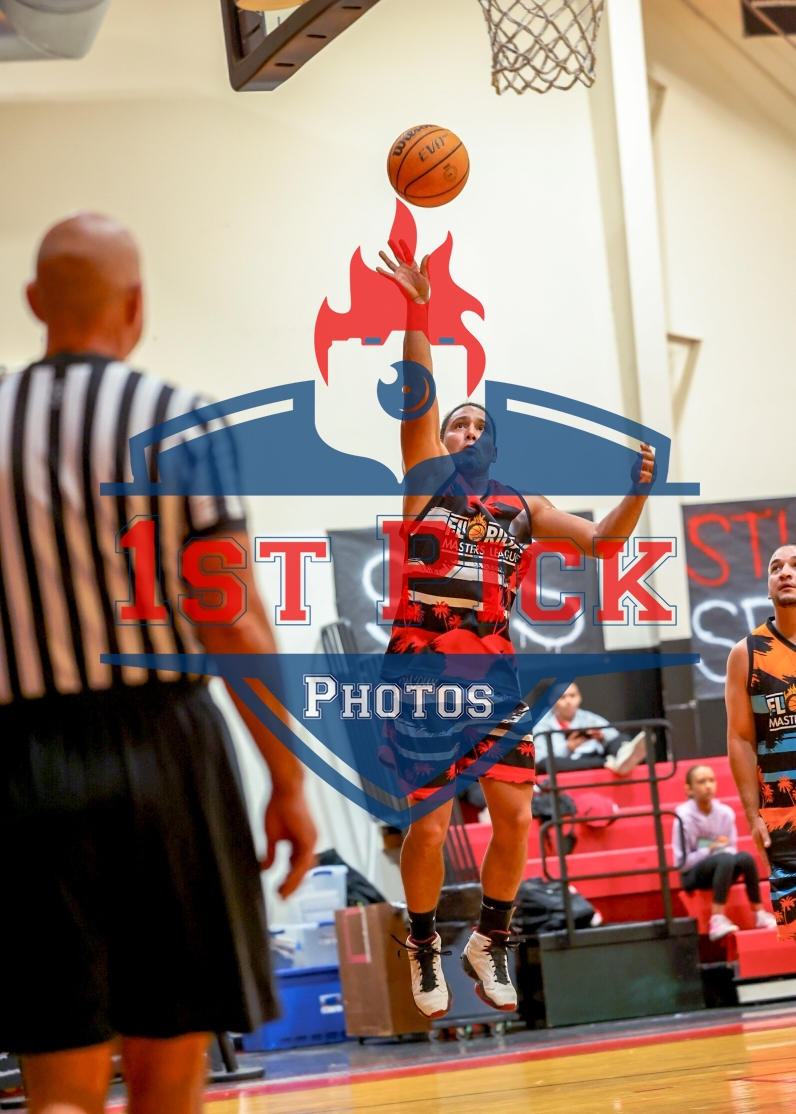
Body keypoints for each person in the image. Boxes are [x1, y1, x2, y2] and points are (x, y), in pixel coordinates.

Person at [0, 214, 317, 1114]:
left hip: (22, 760)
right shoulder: (179, 419)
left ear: (34, 302)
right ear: (136, 305)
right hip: (166, 748)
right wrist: (287, 778)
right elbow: (234, 619)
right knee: (169, 1075)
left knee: (60, 1077)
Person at [375, 239, 655, 1019]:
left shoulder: (523, 507)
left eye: (477, 427)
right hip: (426, 663)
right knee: (430, 826)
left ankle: (488, 938)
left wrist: (637, 494)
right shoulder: (426, 483)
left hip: (492, 665)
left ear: (494, 445)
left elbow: (602, 544)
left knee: (517, 816)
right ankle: (423, 942)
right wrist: (419, 307)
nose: (465, 433)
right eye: (456, 426)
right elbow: (419, 400)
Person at [727, 543, 796, 946]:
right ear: (768, 587)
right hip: (785, 818)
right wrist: (752, 814)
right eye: (776, 567)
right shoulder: (747, 653)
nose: (785, 572)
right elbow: (740, 737)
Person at [673, 764, 775, 941]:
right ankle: (717, 919)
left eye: (711, 780)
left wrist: (720, 852)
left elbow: (732, 849)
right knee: (725, 858)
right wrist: (710, 850)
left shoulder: (725, 813)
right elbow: (681, 863)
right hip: (693, 874)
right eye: (701, 782)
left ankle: (759, 914)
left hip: (721, 867)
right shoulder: (682, 818)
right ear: (689, 789)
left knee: (745, 858)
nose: (708, 786)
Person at [532, 682, 646, 775]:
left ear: (579, 697)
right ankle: (609, 763)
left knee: (621, 739)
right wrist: (569, 747)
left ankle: (624, 756)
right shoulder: (542, 725)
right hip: (567, 764)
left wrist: (601, 737)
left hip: (592, 756)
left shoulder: (589, 718)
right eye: (562, 697)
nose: (568, 702)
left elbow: (613, 736)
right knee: (546, 763)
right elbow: (540, 759)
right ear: (552, 701)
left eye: (572, 696)